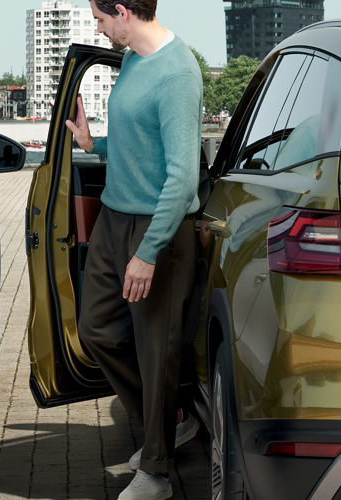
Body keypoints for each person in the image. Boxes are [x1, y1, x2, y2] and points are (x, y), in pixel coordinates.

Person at [65, 1, 203, 499]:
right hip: (113, 216)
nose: (98, 27)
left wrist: (148, 252)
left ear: (123, 12)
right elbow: (137, 138)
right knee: (95, 328)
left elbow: (182, 178)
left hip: (157, 226)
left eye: (100, 19)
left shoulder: (177, 74)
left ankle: (156, 473)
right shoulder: (130, 59)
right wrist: (93, 143)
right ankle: (171, 422)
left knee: (156, 352)